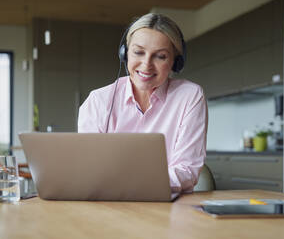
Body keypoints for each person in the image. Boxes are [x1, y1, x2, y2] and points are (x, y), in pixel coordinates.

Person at [78, 13, 208, 193]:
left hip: (167, 207)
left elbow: (187, 170)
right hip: (110, 205)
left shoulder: (189, 96)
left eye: (160, 56)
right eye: (138, 52)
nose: (146, 65)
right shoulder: (98, 101)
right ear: (125, 54)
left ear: (175, 62)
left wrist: (125, 182)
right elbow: (89, 169)